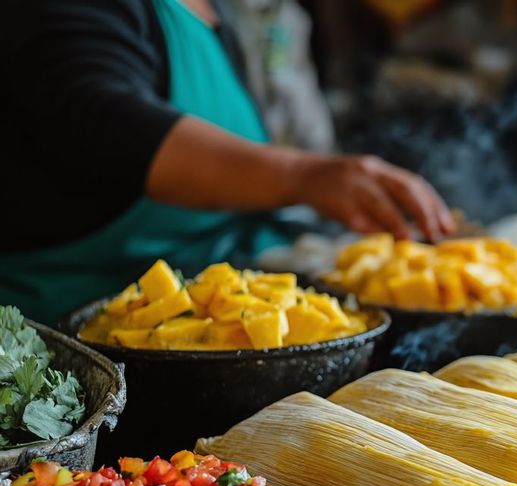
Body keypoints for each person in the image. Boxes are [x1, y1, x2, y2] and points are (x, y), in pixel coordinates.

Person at [0, 0, 455, 324]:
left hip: (220, 316)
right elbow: (100, 122)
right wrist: (305, 175)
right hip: (81, 344)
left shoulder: (211, 13)